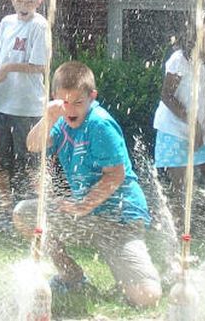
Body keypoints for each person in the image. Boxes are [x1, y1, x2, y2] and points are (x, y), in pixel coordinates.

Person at [15, 61, 162, 308]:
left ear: (92, 97)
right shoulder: (60, 121)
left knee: (147, 297)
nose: (70, 109)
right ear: (54, 99)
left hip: (120, 221)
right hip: (85, 214)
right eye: (64, 102)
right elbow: (33, 144)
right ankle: (72, 277)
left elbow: (115, 175)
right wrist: (48, 117)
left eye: (78, 102)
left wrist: (84, 205)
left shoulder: (99, 124)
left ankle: (132, 271)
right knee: (25, 214)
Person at [0, 0, 49, 230]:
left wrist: (7, 69)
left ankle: (39, 209)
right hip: (1, 104)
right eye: (20, 1)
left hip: (28, 107)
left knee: (30, 162)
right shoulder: (6, 23)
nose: (24, 6)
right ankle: (7, 210)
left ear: (39, 1)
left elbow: (39, 66)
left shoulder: (40, 26)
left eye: (30, 1)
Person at [152, 12, 205, 229]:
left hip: (201, 132)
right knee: (181, 193)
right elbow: (166, 96)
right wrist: (193, 122)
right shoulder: (180, 60)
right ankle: (179, 245)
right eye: (202, 32)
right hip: (174, 130)